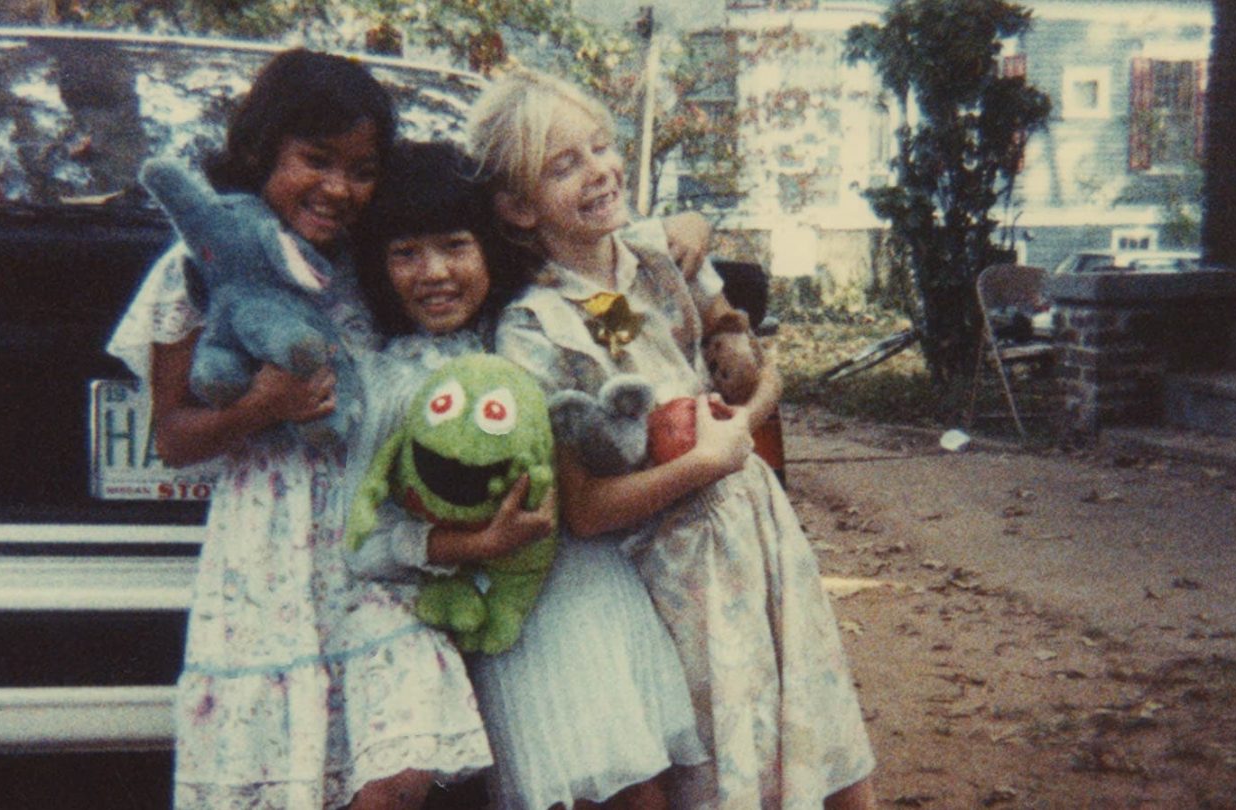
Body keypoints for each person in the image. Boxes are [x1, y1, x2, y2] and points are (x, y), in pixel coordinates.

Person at [467, 68, 880, 810]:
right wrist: (712, 455)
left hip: (755, 534)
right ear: (518, 207)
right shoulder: (534, 328)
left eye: (600, 147)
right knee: (729, 761)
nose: (599, 171)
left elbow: (707, 360)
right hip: (676, 568)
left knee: (819, 734)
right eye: (565, 165)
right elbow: (586, 509)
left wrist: (732, 339)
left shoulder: (649, 261)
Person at [106, 50, 492, 810]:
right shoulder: (200, 265)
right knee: (288, 779)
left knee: (400, 767)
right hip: (267, 562)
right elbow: (175, 437)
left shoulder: (373, 261)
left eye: (362, 169)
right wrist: (261, 407)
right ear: (259, 152)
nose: (339, 188)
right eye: (316, 161)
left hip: (372, 541)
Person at [348, 138, 707, 810]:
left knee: (643, 784)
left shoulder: (546, 309)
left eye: (455, 245)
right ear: (378, 266)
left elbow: (642, 325)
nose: (434, 273)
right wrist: (474, 546)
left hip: (594, 584)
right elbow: (367, 541)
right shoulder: (392, 382)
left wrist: (684, 232)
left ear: (490, 242)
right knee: (596, 781)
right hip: (517, 616)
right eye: (405, 254)